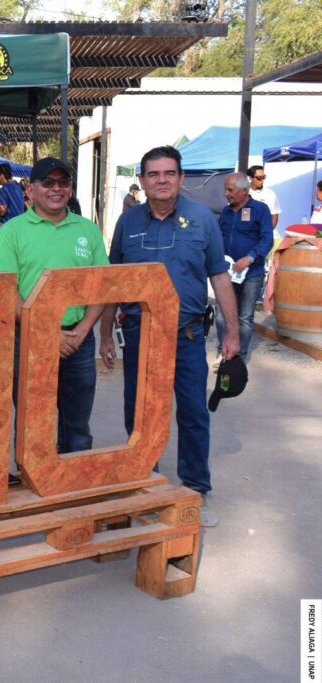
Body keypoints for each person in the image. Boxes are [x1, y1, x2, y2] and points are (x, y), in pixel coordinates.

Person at [99, 145, 239, 528]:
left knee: (193, 413)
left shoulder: (202, 219)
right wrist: (105, 334)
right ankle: (145, 484)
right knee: (139, 414)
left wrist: (231, 332)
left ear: (180, 178)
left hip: (187, 336)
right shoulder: (128, 222)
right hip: (139, 336)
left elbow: (219, 276)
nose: (162, 180)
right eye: (154, 174)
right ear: (142, 180)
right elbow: (112, 282)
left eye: (169, 173)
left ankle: (195, 490)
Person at [0, 157, 107, 455]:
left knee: (77, 425)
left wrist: (82, 331)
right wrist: (48, 333)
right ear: (31, 190)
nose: (56, 188)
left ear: (70, 188)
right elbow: (7, 291)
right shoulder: (12, 231)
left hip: (79, 339)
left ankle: (73, 479)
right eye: (48, 182)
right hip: (29, 339)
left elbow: (103, 288)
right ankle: (33, 480)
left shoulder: (88, 230)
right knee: (32, 423)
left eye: (63, 182)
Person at [215, 173, 273, 363]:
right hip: (227, 273)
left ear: (244, 190)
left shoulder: (260, 210)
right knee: (222, 315)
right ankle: (223, 352)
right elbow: (219, 237)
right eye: (225, 189)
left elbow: (267, 239)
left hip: (251, 274)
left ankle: (239, 358)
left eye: (230, 190)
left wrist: (250, 257)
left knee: (245, 317)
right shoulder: (226, 211)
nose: (226, 194)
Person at [247, 165, 281, 231]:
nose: (262, 180)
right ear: (250, 178)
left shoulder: (270, 194)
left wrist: (267, 232)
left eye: (263, 177)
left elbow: (274, 216)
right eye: (259, 178)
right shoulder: (243, 192)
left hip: (263, 232)